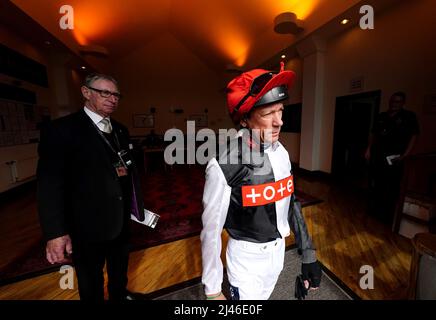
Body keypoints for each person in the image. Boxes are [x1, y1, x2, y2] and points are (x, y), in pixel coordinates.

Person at [200, 63, 321, 300]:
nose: (279, 122)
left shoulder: (282, 152)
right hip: (247, 260)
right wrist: (213, 289)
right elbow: (211, 231)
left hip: (278, 254)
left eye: (281, 111)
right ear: (245, 119)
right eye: (268, 114)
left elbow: (292, 203)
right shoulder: (224, 164)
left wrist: (308, 254)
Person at [37, 73, 145, 301]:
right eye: (105, 92)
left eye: (116, 94)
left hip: (120, 220)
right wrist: (56, 233)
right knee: (90, 279)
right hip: (85, 224)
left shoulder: (120, 130)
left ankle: (119, 295)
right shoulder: (61, 130)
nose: (112, 98)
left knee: (119, 272)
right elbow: (49, 184)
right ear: (86, 93)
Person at [365, 91, 420, 225]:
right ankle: (374, 210)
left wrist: (406, 154)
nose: (394, 104)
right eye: (392, 101)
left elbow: (414, 135)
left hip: (396, 158)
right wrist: (368, 149)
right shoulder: (382, 116)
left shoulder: (409, 117)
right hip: (378, 155)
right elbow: (373, 134)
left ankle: (387, 215)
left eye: (398, 101)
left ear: (402, 103)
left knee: (392, 186)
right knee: (376, 183)